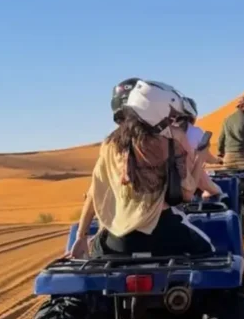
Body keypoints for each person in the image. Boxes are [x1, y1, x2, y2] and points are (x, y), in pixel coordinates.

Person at [70, 80, 214, 259]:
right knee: (208, 252)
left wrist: (81, 236)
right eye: (171, 114)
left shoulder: (108, 145)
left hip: (118, 241)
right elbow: (187, 193)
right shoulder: (170, 143)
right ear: (158, 111)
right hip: (165, 234)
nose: (172, 119)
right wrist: (200, 156)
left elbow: (94, 193)